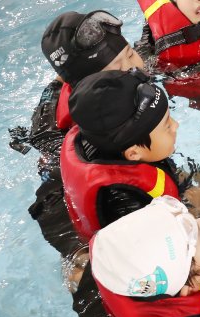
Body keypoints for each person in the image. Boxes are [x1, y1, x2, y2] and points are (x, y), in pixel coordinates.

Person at [10, 11, 144, 260]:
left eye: (129, 55)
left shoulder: (129, 70)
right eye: (118, 69)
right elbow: (50, 200)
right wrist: (77, 252)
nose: (134, 69)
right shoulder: (64, 133)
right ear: (90, 88)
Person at [60, 68, 181, 241]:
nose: (176, 125)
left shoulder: (104, 139)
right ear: (134, 153)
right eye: (167, 126)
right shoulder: (126, 206)